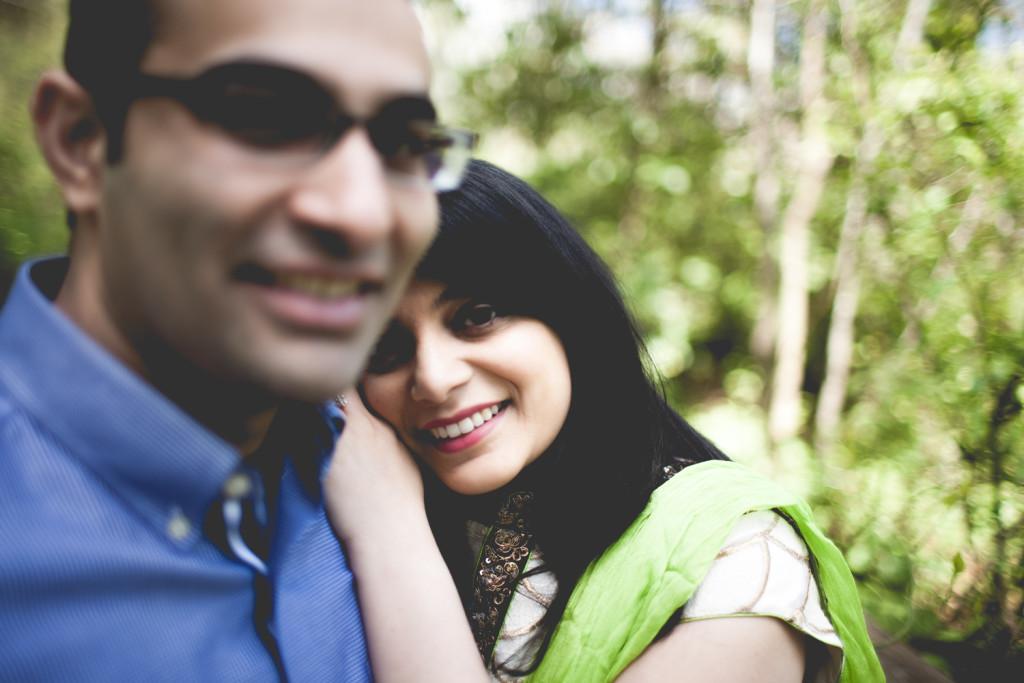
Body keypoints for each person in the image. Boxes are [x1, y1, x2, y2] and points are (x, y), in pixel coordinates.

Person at [0, 0, 474, 679]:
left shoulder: (392, 446)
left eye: (404, 144)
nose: (363, 212)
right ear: (82, 140)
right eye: (265, 118)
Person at [327, 160, 884, 682]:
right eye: (383, 349)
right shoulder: (386, 517)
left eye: (476, 316)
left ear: (569, 315)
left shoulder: (740, 562)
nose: (433, 378)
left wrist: (387, 525)